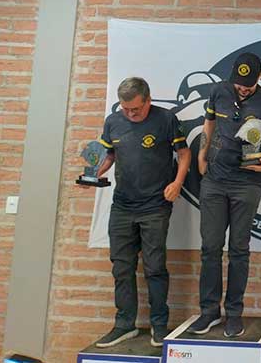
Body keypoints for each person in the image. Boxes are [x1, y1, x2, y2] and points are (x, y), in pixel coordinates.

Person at [187, 52, 261, 338]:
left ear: (259, 77)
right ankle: (209, 312)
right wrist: (202, 155)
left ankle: (234, 314)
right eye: (239, 83)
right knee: (210, 248)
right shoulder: (218, 91)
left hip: (247, 183)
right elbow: (209, 122)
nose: (243, 88)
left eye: (249, 84)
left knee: (239, 250)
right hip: (214, 181)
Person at [91, 77, 191, 348]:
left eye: (135, 109)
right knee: (121, 267)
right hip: (122, 206)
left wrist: (177, 183)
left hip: (155, 206)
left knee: (154, 267)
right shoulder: (113, 122)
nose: (131, 114)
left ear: (148, 100)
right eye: (125, 109)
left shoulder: (166, 119)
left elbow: (184, 154)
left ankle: (159, 326)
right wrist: (93, 173)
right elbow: (109, 155)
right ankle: (125, 325)